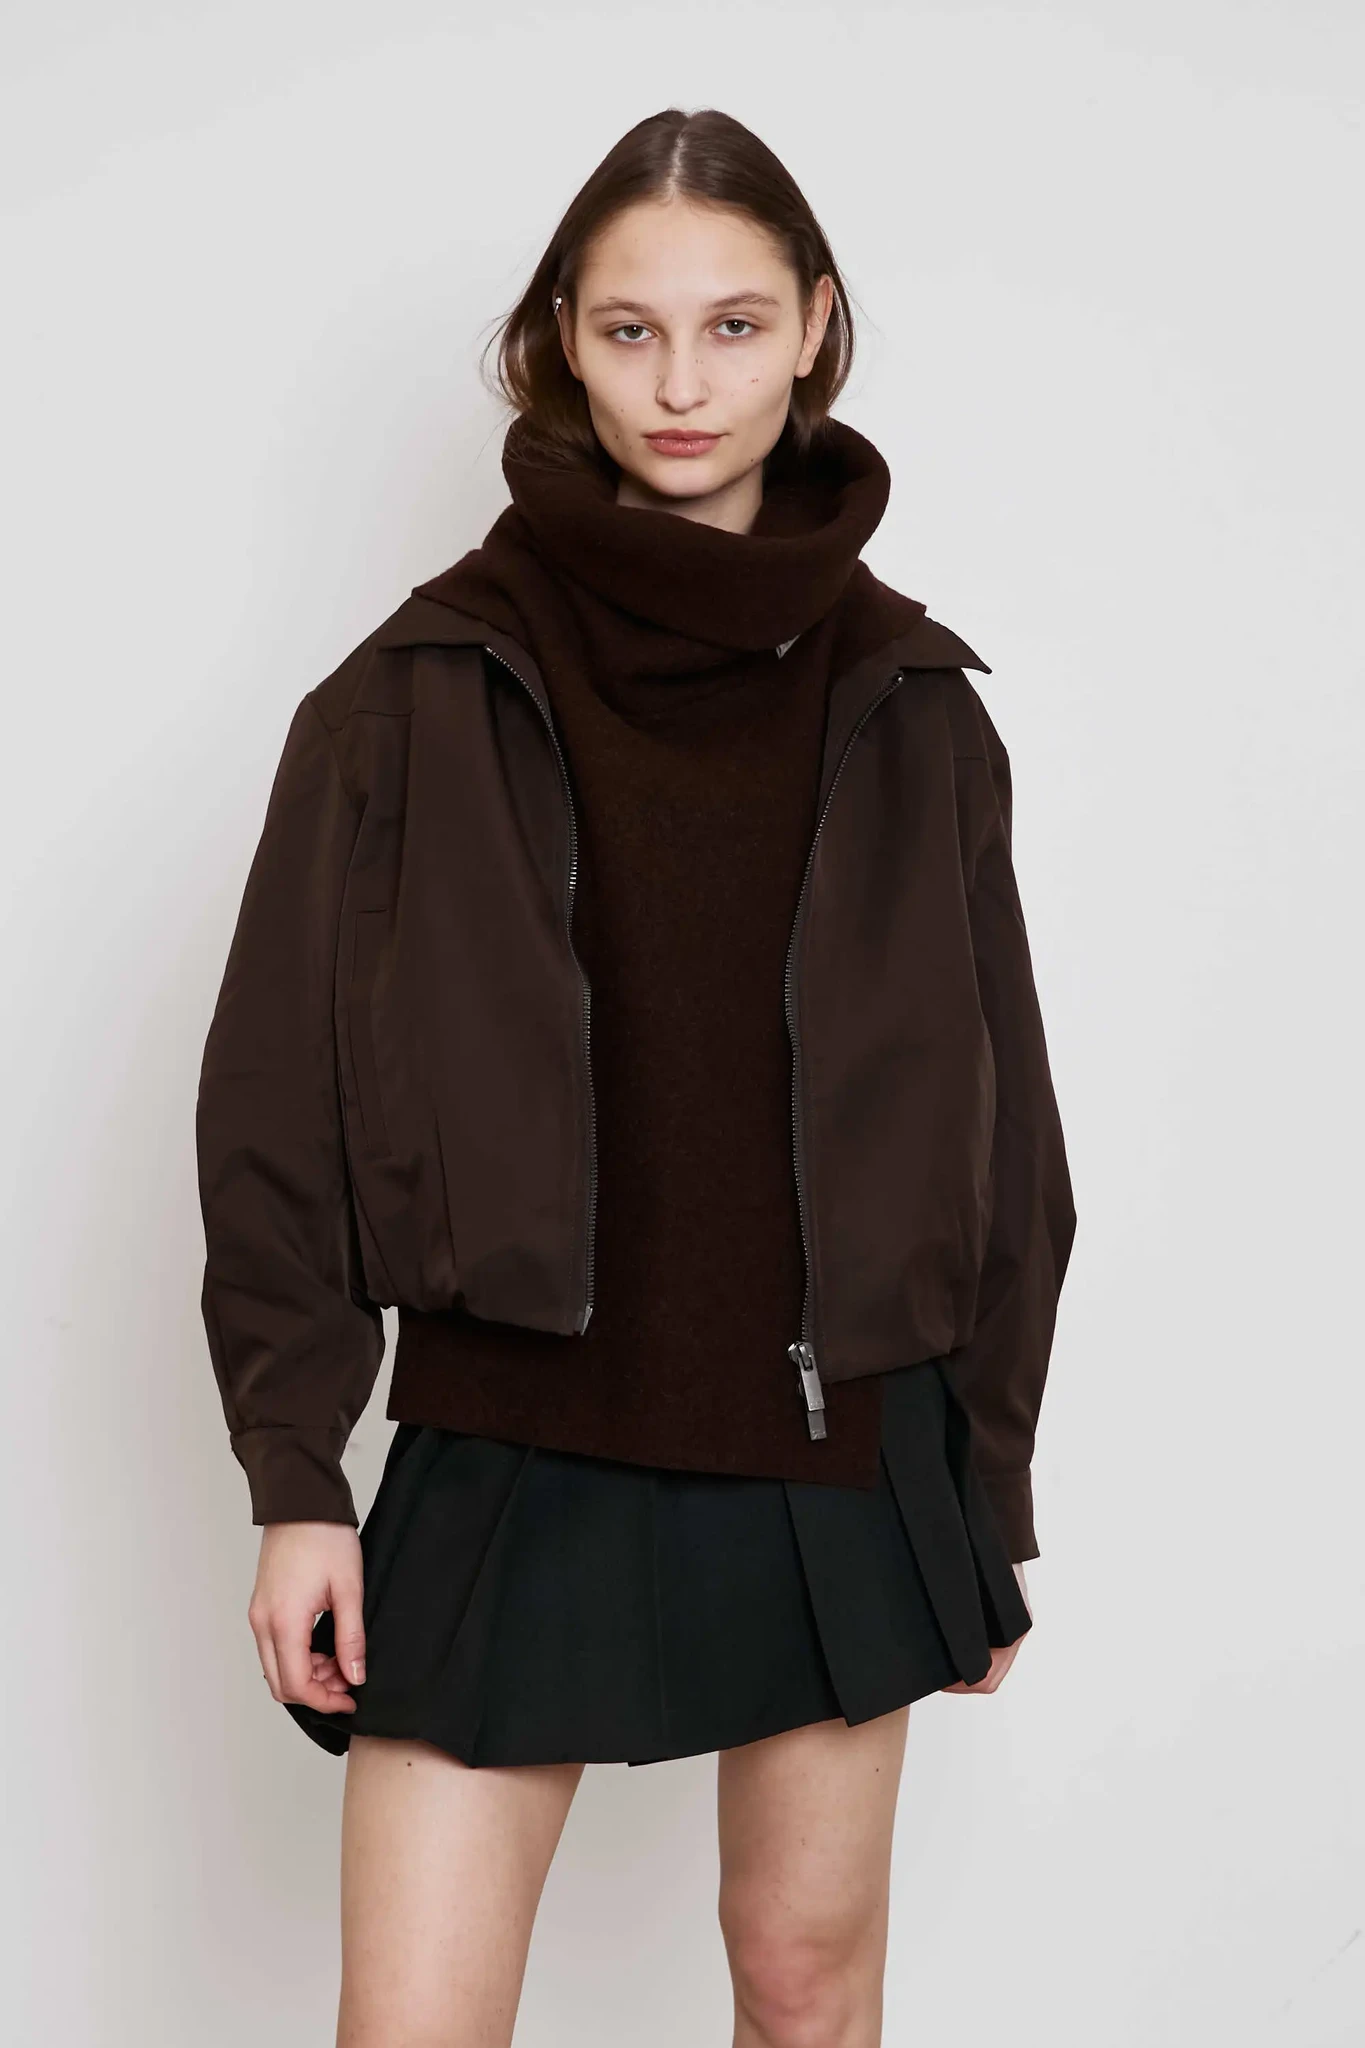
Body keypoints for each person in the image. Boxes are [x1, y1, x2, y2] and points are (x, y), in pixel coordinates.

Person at [196, 104, 1076, 2048]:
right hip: (514, 1426)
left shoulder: (914, 703)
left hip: (836, 1444)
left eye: (735, 327)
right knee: (414, 2022)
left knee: (804, 1994)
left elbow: (1002, 1125)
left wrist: (986, 1486)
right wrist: (296, 1476)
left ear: (815, 328)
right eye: (630, 330)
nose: (683, 385)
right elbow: (277, 1108)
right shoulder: (417, 688)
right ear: (559, 344)